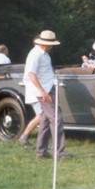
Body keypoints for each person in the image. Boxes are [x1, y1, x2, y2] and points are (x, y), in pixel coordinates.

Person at [22, 29, 71, 160]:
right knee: (56, 118)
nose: (52, 46)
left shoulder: (44, 54)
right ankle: (59, 152)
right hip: (44, 91)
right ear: (44, 43)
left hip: (48, 89)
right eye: (51, 44)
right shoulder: (35, 54)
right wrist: (43, 92)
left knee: (44, 120)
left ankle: (41, 152)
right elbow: (31, 75)